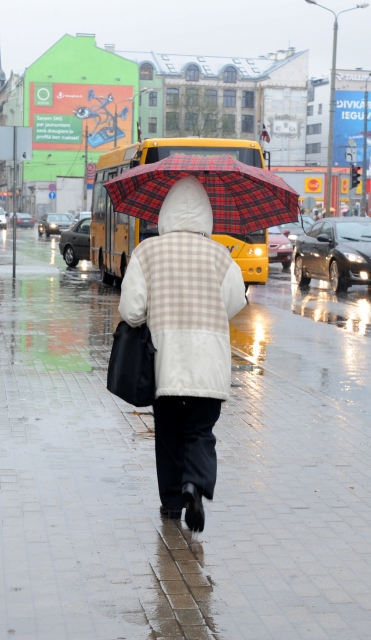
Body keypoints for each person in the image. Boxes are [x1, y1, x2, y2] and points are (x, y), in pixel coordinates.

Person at [118, 177, 247, 533]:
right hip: (209, 364)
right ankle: (196, 484)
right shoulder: (221, 256)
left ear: (165, 213)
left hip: (164, 363)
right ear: (206, 214)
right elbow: (235, 302)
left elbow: (131, 311)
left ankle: (172, 503)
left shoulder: (147, 252)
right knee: (201, 431)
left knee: (169, 434)